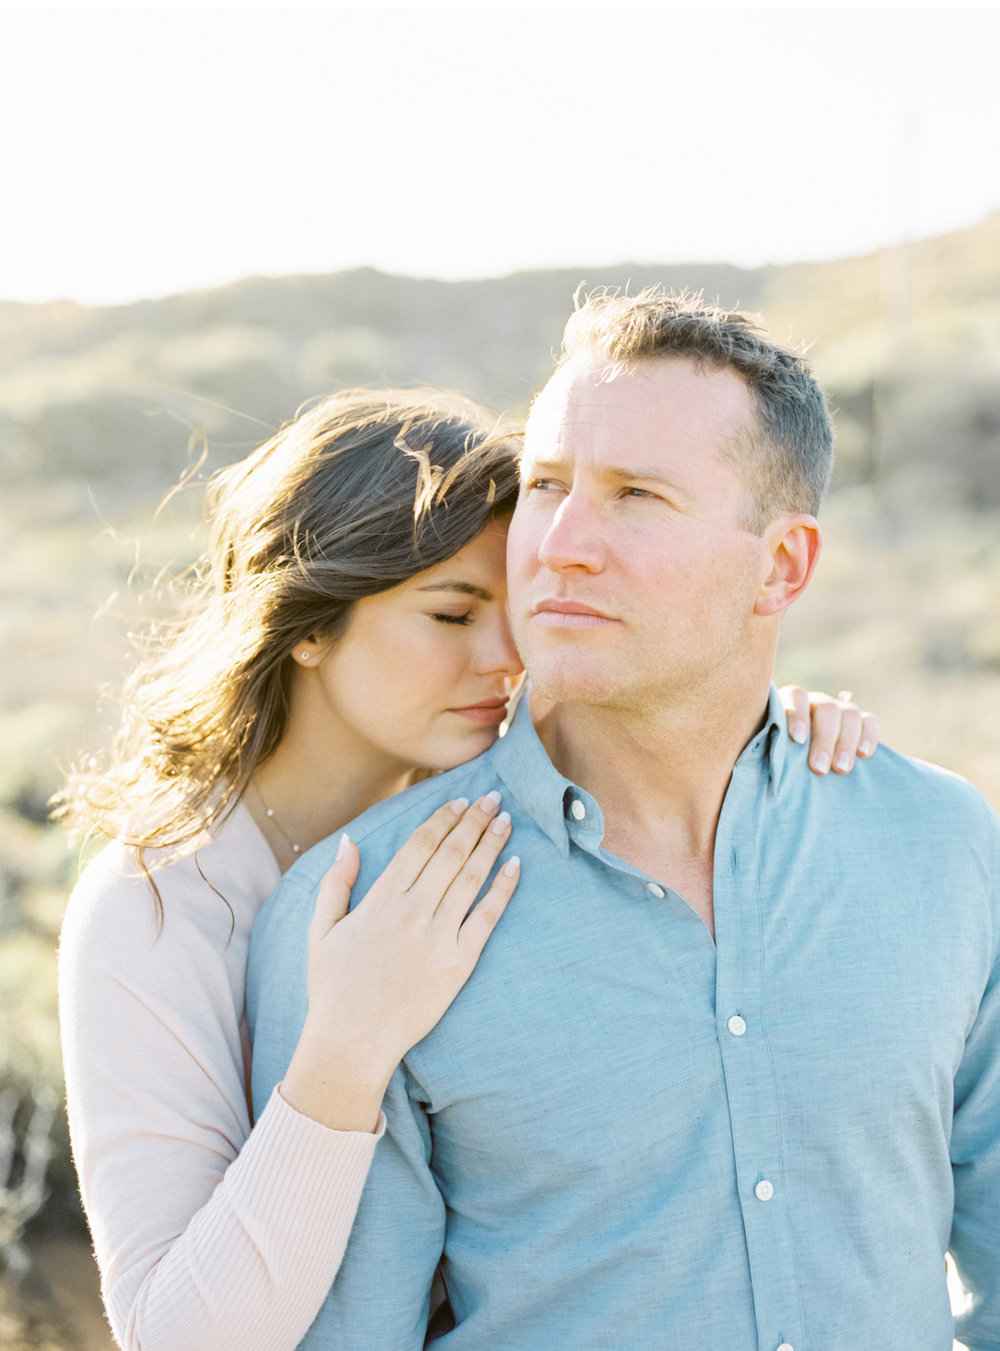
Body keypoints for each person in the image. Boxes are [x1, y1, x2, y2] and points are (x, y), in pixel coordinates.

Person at [249, 292, 1000, 1351]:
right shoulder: (359, 910)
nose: (560, 545)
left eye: (636, 495)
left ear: (780, 566)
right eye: (546, 487)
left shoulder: (943, 845)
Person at [56, 385, 870, 1351]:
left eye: (516, 610)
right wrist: (349, 1046)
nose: (506, 660)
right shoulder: (157, 908)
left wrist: (775, 731)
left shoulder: (509, 811)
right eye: (450, 615)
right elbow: (179, 1335)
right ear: (307, 623)